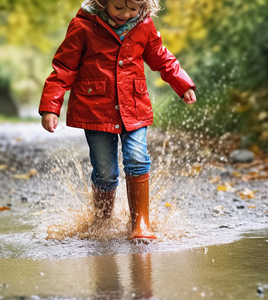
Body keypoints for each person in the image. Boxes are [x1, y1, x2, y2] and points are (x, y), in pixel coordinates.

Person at [39, 0, 196, 242]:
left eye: (133, 9)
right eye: (119, 8)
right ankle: (102, 221)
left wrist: (182, 83)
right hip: (96, 109)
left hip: (133, 106)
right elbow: (64, 67)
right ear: (102, 2)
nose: (126, 14)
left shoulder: (144, 25)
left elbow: (161, 58)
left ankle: (141, 223)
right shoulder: (83, 26)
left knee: (137, 157)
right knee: (105, 172)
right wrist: (51, 106)